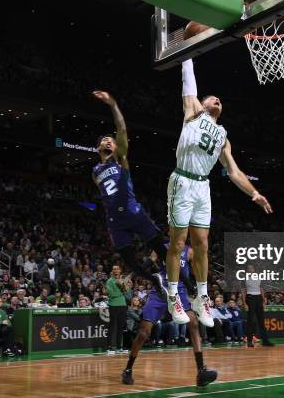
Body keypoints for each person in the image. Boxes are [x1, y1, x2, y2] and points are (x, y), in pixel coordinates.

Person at [166, 59, 272, 326]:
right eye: (213, 98)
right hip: (182, 180)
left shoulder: (223, 136)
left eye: (220, 100)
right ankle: (172, 295)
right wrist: (188, 53)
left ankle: (201, 298)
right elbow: (187, 79)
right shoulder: (192, 111)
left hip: (203, 186)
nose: (218, 100)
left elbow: (234, 172)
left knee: (202, 244)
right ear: (202, 103)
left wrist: (254, 193)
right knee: (178, 244)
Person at [91, 90, 168, 296]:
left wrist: (113, 104)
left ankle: (186, 283)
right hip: (115, 219)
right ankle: (154, 279)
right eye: (105, 140)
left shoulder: (120, 159)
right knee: (131, 264)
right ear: (98, 147)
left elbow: (122, 129)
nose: (109, 141)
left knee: (162, 251)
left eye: (111, 140)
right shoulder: (95, 171)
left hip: (133, 212)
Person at [121, 243, 217, 387]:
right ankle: (128, 369)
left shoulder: (189, 250)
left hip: (181, 292)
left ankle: (201, 371)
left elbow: (198, 268)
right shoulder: (162, 246)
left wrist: (200, 287)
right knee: (143, 332)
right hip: (160, 292)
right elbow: (149, 262)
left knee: (194, 323)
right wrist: (130, 276)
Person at [241, 264, 273, 347]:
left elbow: (261, 288)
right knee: (250, 321)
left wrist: (264, 299)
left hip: (258, 298)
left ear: (254, 269)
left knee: (261, 321)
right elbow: (243, 291)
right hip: (250, 298)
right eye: (248, 268)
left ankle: (265, 341)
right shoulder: (244, 279)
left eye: (251, 268)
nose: (250, 269)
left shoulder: (259, 277)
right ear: (247, 270)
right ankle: (249, 341)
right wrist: (244, 303)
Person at [106, 265, 129, 354]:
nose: (116, 270)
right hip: (113, 305)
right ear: (112, 271)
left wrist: (123, 287)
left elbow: (127, 291)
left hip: (122, 305)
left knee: (121, 327)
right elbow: (111, 294)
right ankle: (110, 347)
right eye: (114, 269)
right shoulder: (109, 281)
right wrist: (121, 292)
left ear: (120, 270)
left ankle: (120, 347)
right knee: (112, 327)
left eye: (117, 269)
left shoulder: (122, 280)